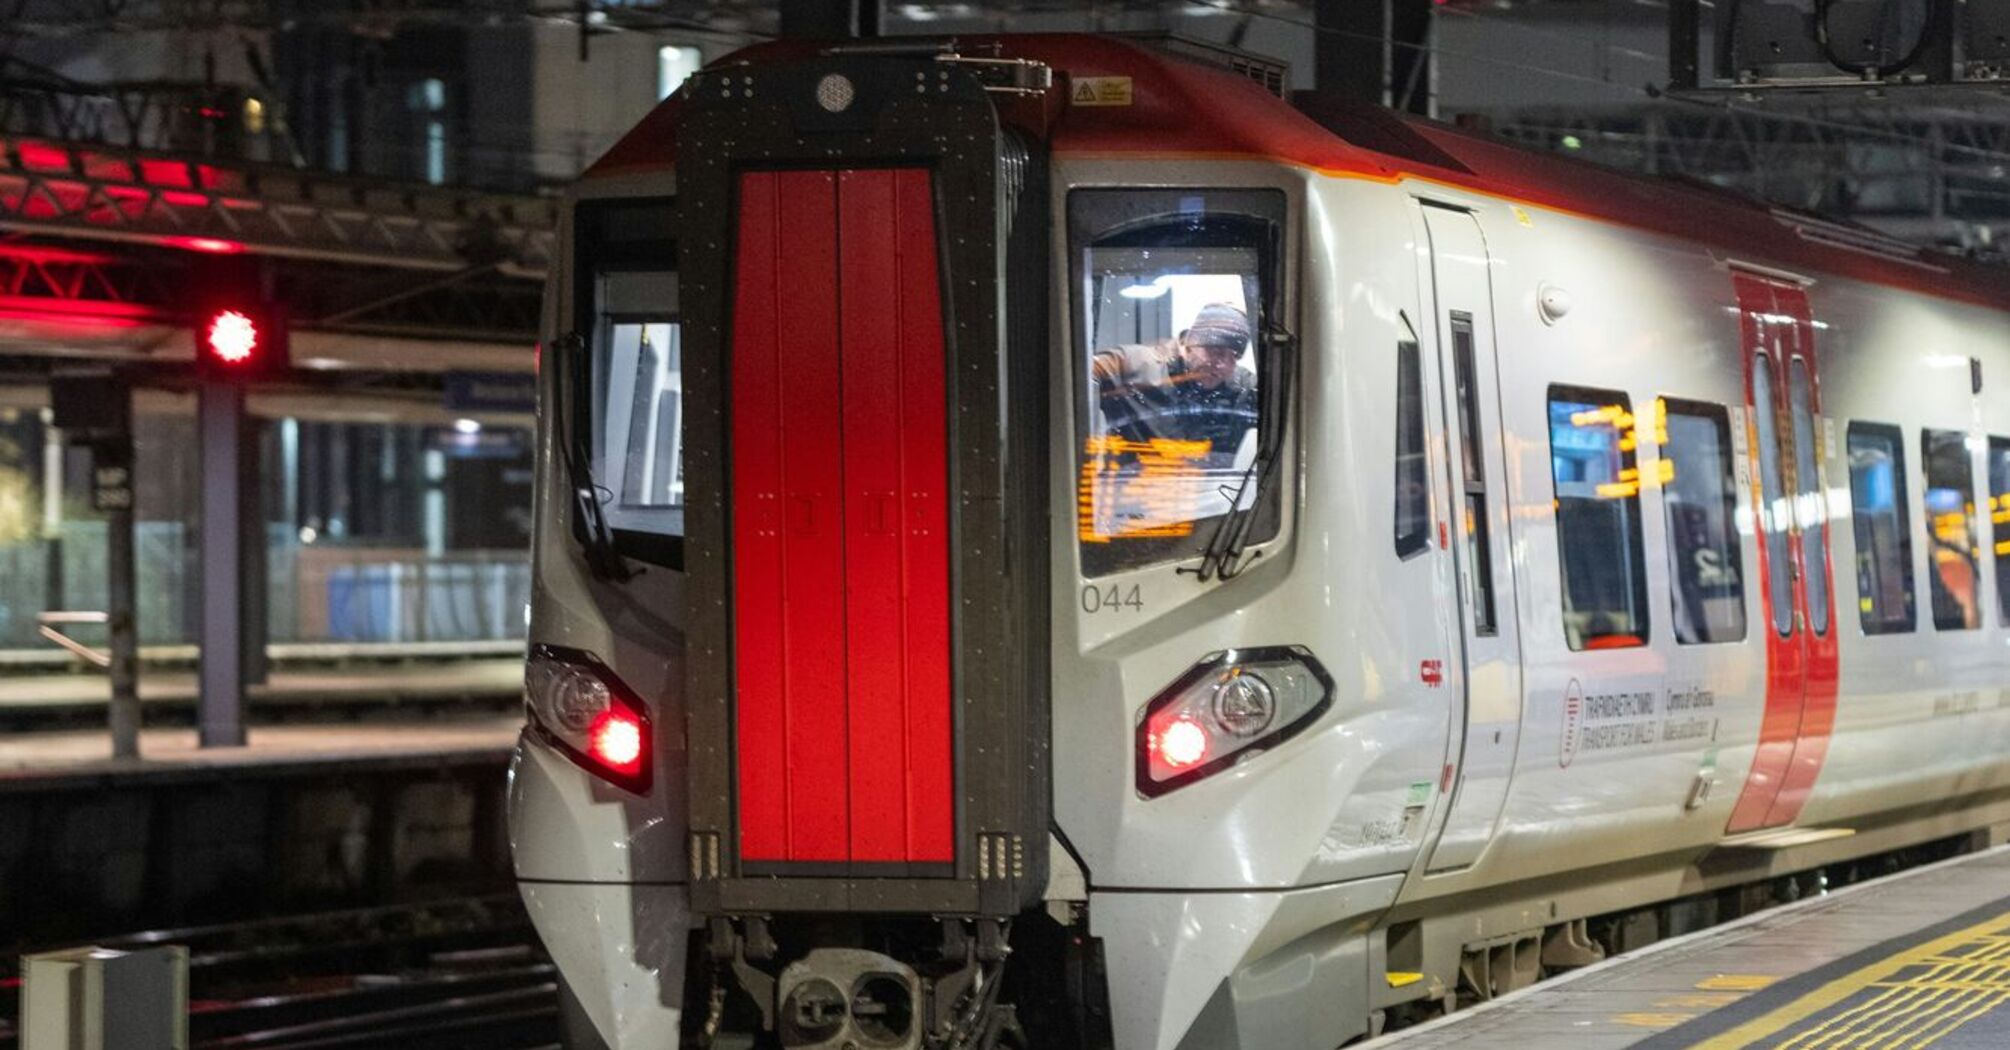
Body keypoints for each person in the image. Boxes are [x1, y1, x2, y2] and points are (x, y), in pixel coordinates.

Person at [1089, 301, 1257, 454]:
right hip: (1135, 485)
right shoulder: (1133, 365)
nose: (1224, 366)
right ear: (1190, 345)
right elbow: (1069, 377)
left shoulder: (1241, 386)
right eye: (1216, 352)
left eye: (1234, 357)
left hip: (1218, 488)